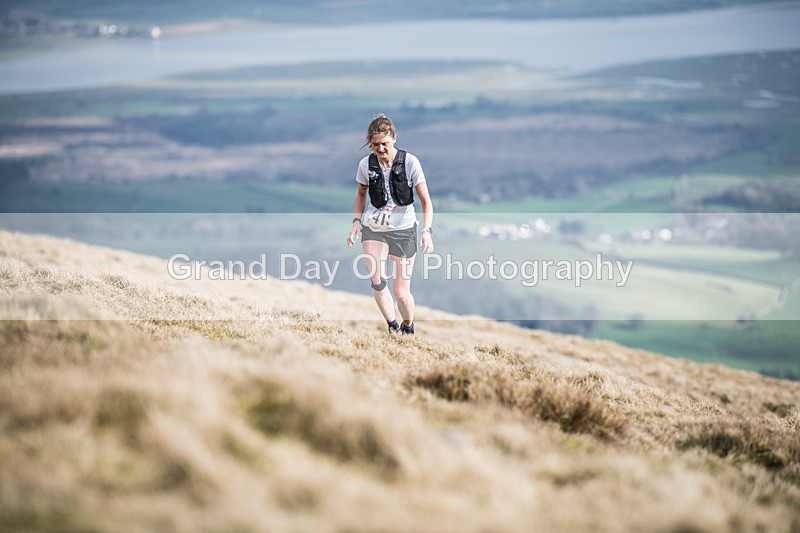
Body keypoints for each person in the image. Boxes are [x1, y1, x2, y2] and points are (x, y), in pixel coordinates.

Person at [347, 114, 434, 335]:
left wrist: (426, 231)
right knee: (377, 280)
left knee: (401, 293)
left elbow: (426, 201)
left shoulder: (410, 162)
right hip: (374, 228)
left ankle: (408, 328)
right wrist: (356, 222)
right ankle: (392, 327)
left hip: (403, 230)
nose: (380, 149)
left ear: (394, 137)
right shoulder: (365, 165)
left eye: (384, 143)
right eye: (375, 144)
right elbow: (361, 194)